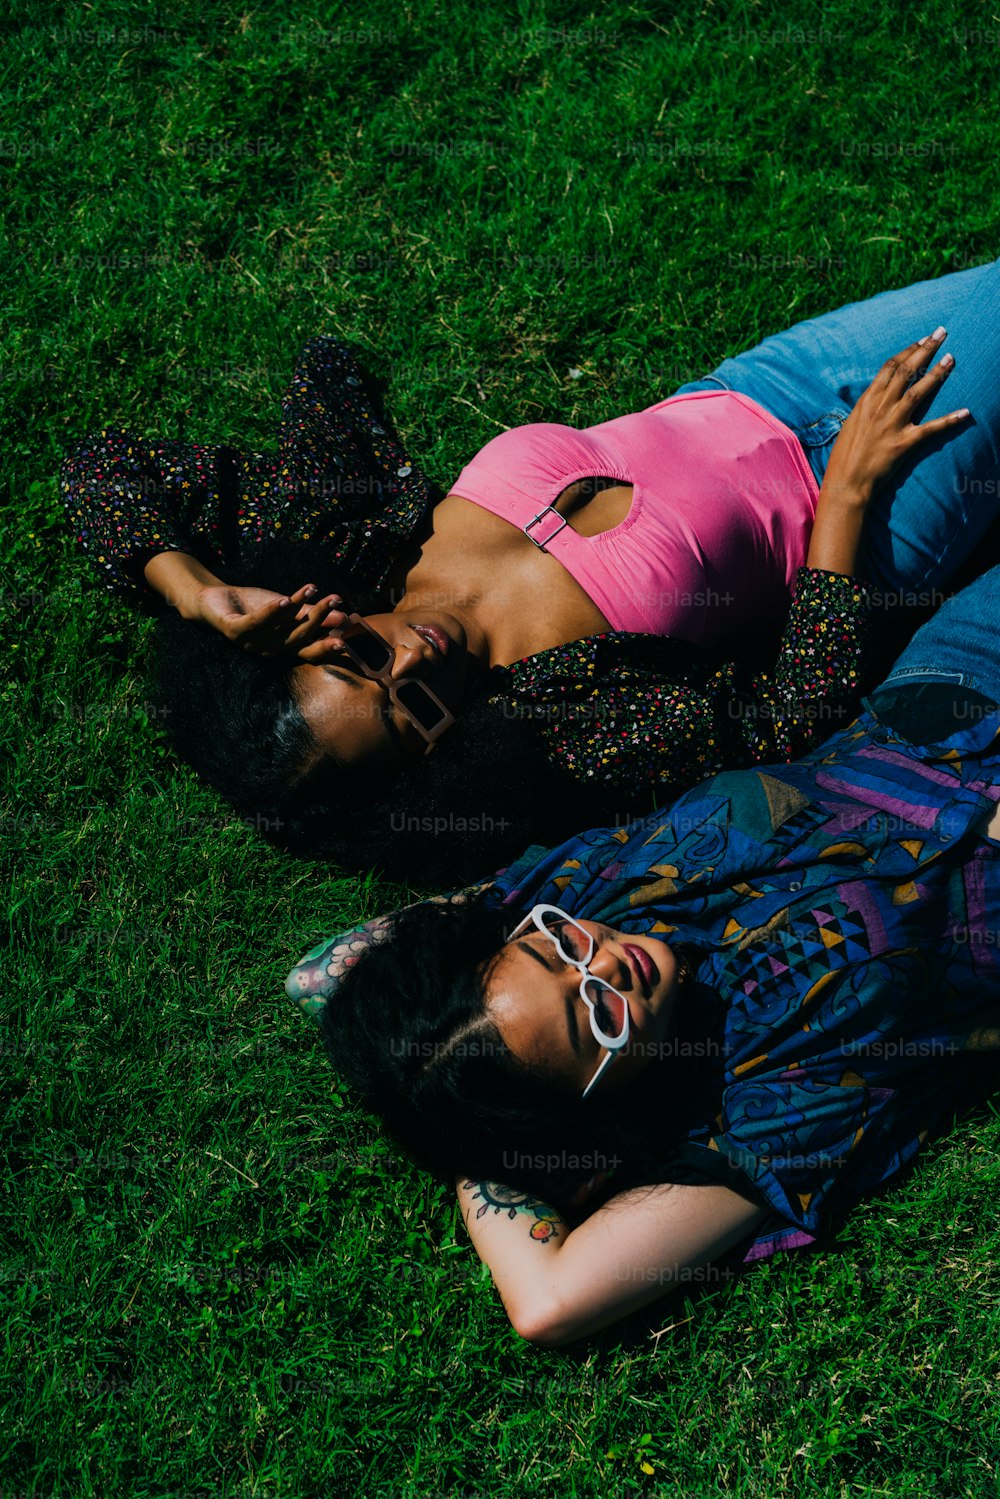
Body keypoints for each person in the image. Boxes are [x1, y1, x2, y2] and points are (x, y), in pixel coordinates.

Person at [61, 261, 1000, 881]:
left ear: (315, 625)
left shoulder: (365, 536)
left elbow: (102, 471)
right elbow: (794, 715)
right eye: (410, 712)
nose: (411, 664)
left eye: (360, 660)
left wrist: (194, 591)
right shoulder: (566, 721)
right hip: (875, 513)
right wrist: (845, 500)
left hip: (767, 383)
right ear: (430, 767)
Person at [287, 565, 1000, 1344]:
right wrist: (487, 1142)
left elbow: (323, 971)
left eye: (558, 948)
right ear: (603, 1104)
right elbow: (548, 1301)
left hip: (948, 691)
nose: (602, 963)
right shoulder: (754, 1100)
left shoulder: (574, 891)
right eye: (595, 1017)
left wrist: (453, 1067)